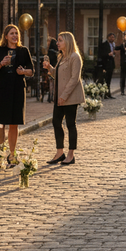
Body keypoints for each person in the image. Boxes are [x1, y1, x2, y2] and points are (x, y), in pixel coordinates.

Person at [0, 24, 34, 166]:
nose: (15, 36)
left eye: (16, 33)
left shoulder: (23, 51)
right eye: (12, 33)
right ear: (6, 36)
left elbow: (31, 71)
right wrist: (1, 63)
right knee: (0, 123)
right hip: (1, 90)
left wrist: (23, 72)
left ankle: (12, 155)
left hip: (17, 90)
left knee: (14, 124)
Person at [42, 32, 85, 166]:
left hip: (70, 97)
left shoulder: (75, 57)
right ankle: (60, 152)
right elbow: (58, 75)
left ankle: (71, 155)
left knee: (70, 124)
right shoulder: (62, 57)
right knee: (56, 122)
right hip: (59, 96)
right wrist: (50, 68)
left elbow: (74, 79)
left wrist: (64, 96)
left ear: (67, 41)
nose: (57, 43)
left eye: (60, 40)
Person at [100, 32, 117, 99]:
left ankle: (108, 93)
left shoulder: (113, 45)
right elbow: (102, 54)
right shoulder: (104, 45)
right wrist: (108, 54)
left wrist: (114, 53)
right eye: (111, 37)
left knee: (109, 80)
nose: (113, 38)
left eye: (113, 37)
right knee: (105, 80)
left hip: (111, 64)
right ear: (108, 37)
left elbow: (113, 54)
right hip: (106, 64)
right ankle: (104, 94)